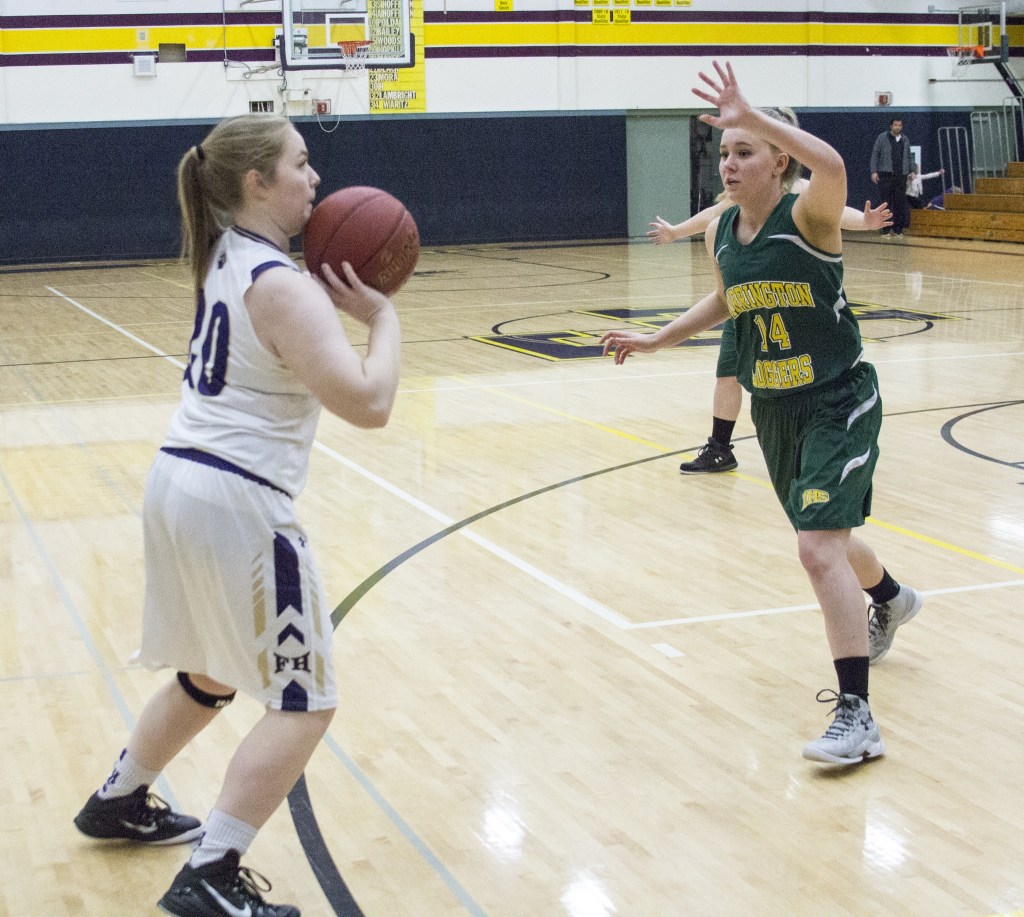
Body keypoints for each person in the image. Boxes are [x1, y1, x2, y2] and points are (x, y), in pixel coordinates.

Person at [73, 115, 402, 916]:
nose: (315, 177)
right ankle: (211, 871)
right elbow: (371, 402)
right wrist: (385, 320)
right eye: (301, 162)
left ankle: (121, 797)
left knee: (210, 670)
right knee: (306, 701)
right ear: (258, 182)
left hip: (180, 479)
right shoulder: (281, 284)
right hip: (239, 500)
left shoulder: (225, 254)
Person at [601, 62, 922, 765]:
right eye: (723, 151)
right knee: (827, 537)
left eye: (744, 150)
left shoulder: (807, 212)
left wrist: (753, 112)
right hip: (775, 409)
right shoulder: (723, 233)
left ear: (780, 159)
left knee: (814, 547)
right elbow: (726, 302)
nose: (730, 162)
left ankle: (857, 715)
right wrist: (657, 337)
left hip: (838, 397)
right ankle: (891, 598)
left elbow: (833, 162)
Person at [649, 175, 893, 475]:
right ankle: (720, 447)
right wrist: (676, 232)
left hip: (793, 312)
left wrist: (865, 222)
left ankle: (821, 443)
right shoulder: (741, 199)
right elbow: (714, 215)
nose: (732, 164)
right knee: (727, 375)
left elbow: (837, 210)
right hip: (747, 304)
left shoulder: (802, 189)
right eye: (727, 153)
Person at [870, 117, 913, 235]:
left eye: (900, 125)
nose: (898, 127)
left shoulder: (905, 140)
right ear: (891, 126)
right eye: (895, 125)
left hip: (901, 176)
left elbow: (909, 156)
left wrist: (912, 170)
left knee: (900, 203)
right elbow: (875, 154)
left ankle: (898, 229)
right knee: (885, 203)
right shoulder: (882, 138)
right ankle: (885, 229)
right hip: (886, 175)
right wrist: (874, 171)